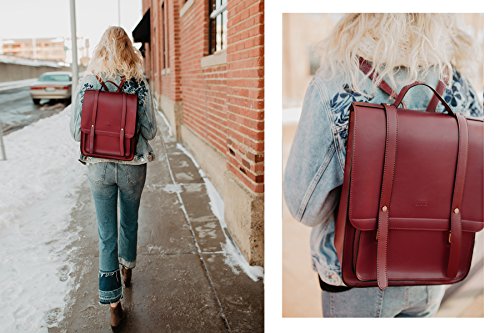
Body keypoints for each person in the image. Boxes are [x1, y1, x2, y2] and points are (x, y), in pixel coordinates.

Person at [284, 14, 483, 318]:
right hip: (434, 267)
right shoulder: (460, 84)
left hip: (355, 276)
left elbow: (304, 207)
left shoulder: (336, 83)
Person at [70, 26, 157, 328]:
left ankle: (114, 303)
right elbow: (151, 131)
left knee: (106, 234)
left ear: (100, 50)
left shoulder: (87, 84)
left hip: (98, 166)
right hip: (132, 163)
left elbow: (74, 131)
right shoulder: (138, 83)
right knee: (129, 220)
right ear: (129, 50)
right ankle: (128, 268)